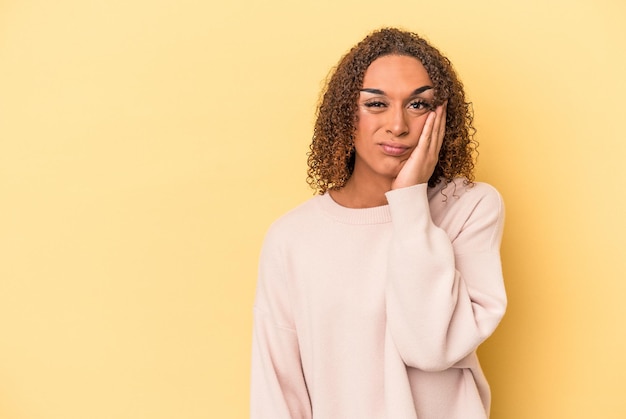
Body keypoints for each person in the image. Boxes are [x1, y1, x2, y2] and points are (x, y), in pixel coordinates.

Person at [250, 27, 506, 419]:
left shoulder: (469, 208)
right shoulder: (293, 238)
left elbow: (430, 347)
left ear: (440, 117)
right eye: (376, 104)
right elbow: (278, 392)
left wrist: (409, 201)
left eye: (418, 105)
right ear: (345, 114)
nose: (399, 125)